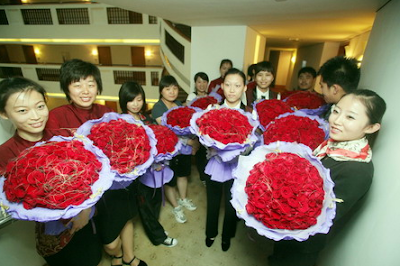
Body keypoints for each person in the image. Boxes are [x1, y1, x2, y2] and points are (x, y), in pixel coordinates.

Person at [268, 89, 386, 266]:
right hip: (287, 228)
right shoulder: (330, 145)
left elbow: (322, 215)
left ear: (371, 127)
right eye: (336, 111)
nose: (336, 120)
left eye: (350, 117)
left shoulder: (358, 170)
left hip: (304, 242)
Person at [46, 59, 147, 266]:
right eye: (77, 84)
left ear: (98, 87)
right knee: (109, 241)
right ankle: (117, 255)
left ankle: (129, 257)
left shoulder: (105, 111)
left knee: (126, 217)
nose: (85, 91)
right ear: (67, 88)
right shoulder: (56, 117)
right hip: (85, 191)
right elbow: (57, 162)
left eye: (91, 84)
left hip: (113, 184)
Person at [0, 77, 103, 266]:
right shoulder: (5, 154)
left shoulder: (64, 136)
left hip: (83, 218)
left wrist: (84, 210)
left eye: (40, 106)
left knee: (93, 257)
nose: (35, 116)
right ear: (4, 113)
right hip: (53, 232)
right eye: (23, 111)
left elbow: (91, 178)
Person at [118, 81, 178, 248]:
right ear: (124, 101)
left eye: (139, 99)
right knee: (145, 206)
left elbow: (157, 140)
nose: (136, 104)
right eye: (131, 100)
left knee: (156, 198)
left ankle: (155, 225)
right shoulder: (122, 121)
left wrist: (159, 159)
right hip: (137, 172)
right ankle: (158, 236)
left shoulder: (147, 117)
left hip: (155, 168)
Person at [205, 68, 250, 252]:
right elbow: (204, 138)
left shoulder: (249, 114)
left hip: (237, 165)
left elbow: (250, 146)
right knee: (213, 201)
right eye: (228, 85)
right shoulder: (212, 110)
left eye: (237, 86)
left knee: (233, 204)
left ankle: (226, 236)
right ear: (222, 86)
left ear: (244, 88)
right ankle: (211, 232)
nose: (232, 90)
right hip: (216, 162)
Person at [151, 75, 199, 224]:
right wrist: (188, 141)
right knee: (169, 180)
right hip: (168, 149)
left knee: (183, 174)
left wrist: (192, 140)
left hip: (183, 149)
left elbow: (185, 126)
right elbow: (168, 132)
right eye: (167, 89)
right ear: (161, 91)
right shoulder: (158, 107)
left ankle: (183, 198)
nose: (172, 92)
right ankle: (176, 206)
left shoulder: (179, 103)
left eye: (175, 88)